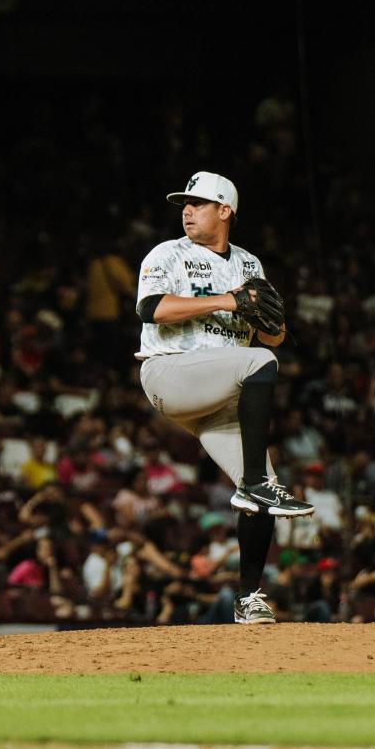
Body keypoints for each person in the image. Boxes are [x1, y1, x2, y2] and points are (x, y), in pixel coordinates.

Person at [134, 170, 313, 626]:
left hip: (222, 393)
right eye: (184, 205)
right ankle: (253, 485)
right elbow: (150, 308)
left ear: (225, 210)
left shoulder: (250, 265)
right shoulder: (169, 253)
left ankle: (249, 596)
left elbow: (272, 337)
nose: (187, 211)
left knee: (265, 490)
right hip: (170, 373)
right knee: (258, 365)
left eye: (197, 203)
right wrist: (228, 301)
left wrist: (272, 321)